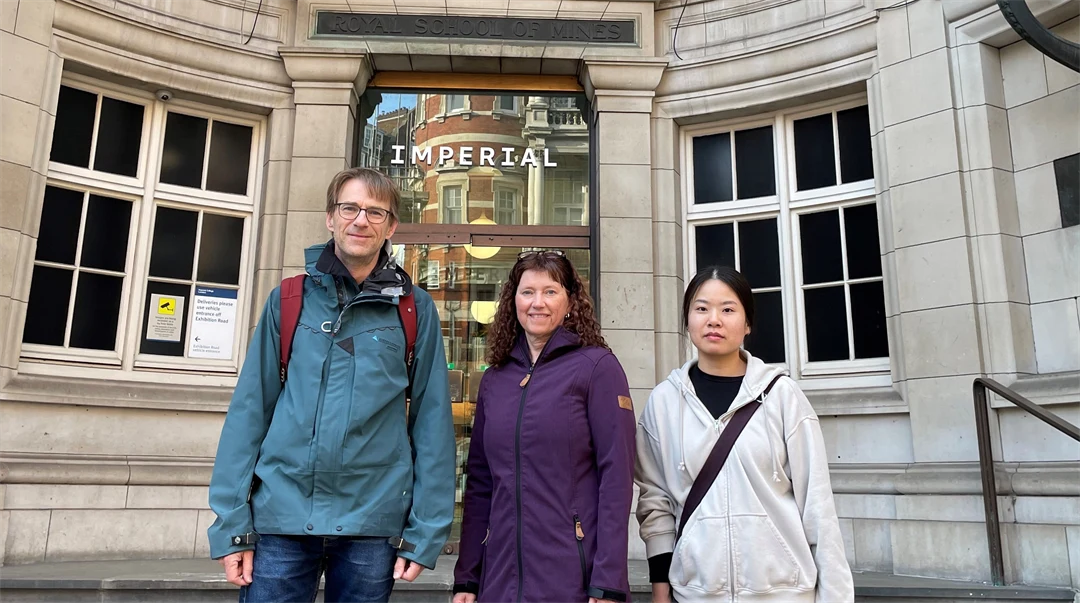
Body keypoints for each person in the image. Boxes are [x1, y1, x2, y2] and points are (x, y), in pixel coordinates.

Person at [207, 167, 456, 603]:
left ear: (391, 227)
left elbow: (432, 424)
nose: (361, 220)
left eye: (375, 212)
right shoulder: (288, 300)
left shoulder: (414, 310)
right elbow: (249, 414)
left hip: (371, 524)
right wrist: (232, 525)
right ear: (330, 218)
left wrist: (426, 530)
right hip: (281, 519)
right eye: (349, 208)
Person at [634, 266, 854, 603]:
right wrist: (661, 592)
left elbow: (818, 507)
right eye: (702, 308)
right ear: (687, 320)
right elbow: (656, 504)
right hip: (696, 595)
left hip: (784, 594)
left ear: (747, 323)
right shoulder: (663, 402)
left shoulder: (782, 396)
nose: (714, 320)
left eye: (728, 309)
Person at [452, 249, 636, 603]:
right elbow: (480, 484)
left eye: (550, 291)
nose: (538, 303)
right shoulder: (495, 379)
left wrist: (609, 581)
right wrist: (467, 578)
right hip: (499, 579)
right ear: (513, 301)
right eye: (528, 292)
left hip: (574, 577)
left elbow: (616, 478)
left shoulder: (598, 368)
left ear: (570, 301)